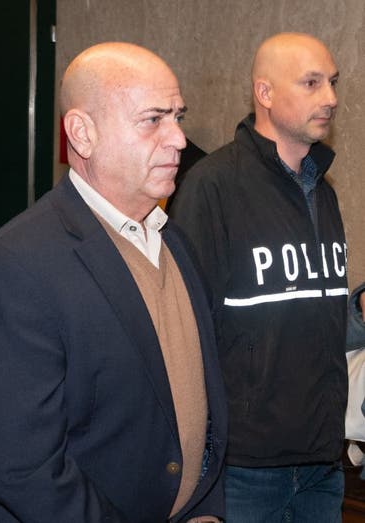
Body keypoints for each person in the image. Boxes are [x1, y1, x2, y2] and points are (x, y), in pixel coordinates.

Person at [0, 42, 227, 522]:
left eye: (178, 117)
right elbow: (25, 469)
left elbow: (199, 405)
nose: (179, 139)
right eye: (153, 120)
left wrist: (205, 507)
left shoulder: (175, 242)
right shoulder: (14, 264)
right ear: (82, 133)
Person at [169, 32, 347, 521]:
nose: (330, 98)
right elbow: (182, 330)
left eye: (332, 83)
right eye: (311, 83)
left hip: (322, 465)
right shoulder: (212, 187)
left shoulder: (322, 190)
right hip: (246, 469)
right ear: (264, 94)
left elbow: (308, 308)